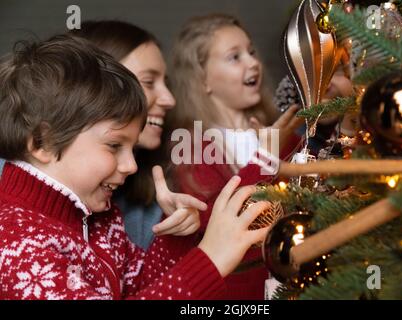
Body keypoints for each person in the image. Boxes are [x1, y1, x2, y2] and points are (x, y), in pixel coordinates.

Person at [0, 34, 270, 299]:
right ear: (41, 143)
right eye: (114, 146)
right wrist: (209, 260)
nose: (130, 165)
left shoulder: (100, 220)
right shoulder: (16, 242)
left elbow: (141, 287)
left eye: (131, 148)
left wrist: (173, 238)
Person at [153, 13, 305, 299]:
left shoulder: (279, 131)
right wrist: (264, 159)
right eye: (234, 57)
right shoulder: (194, 146)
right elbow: (217, 220)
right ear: (203, 79)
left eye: (251, 51)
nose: (253, 63)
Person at [71, 21, 204, 250]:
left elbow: (145, 284)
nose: (169, 99)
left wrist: (175, 233)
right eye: (149, 82)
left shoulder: (149, 190)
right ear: (94, 85)